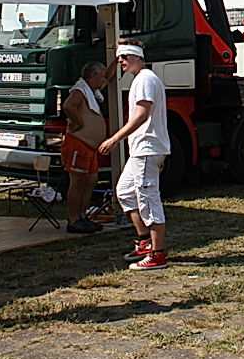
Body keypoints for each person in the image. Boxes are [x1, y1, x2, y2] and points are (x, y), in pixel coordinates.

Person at [99, 39, 170, 271]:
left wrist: (114, 138)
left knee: (148, 198)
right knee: (125, 192)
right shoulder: (141, 79)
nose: (120, 60)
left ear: (137, 57)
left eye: (124, 56)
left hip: (148, 149)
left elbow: (141, 115)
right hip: (141, 149)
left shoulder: (145, 79)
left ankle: (157, 255)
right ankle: (145, 243)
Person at [61, 61, 110, 234]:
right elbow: (68, 105)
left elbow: (109, 76)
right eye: (101, 75)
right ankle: (73, 219)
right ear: (92, 75)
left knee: (91, 180)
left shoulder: (93, 92)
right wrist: (78, 121)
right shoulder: (80, 90)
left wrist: (117, 61)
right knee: (77, 182)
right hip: (78, 142)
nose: (104, 79)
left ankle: (83, 216)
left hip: (90, 147)